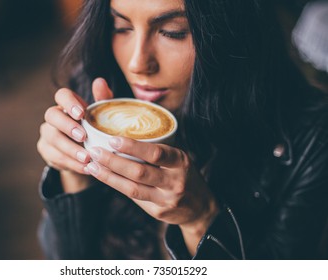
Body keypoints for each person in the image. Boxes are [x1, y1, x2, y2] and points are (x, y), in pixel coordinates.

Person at [36, 0, 328, 259]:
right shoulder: (100, 93)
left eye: (172, 31)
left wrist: (201, 220)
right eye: (121, 27)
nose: (138, 64)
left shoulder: (312, 138)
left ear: (235, 29)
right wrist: (74, 174)